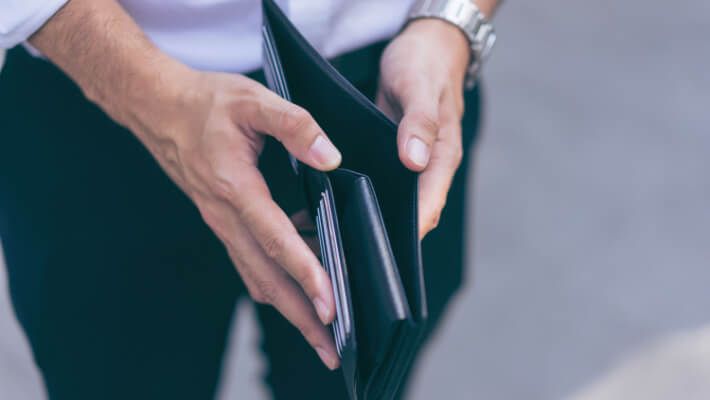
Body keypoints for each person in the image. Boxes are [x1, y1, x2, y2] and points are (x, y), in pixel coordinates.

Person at [0, 0, 499, 398]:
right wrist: (147, 92)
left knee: (361, 377)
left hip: (398, 90)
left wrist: (453, 22)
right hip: (105, 96)